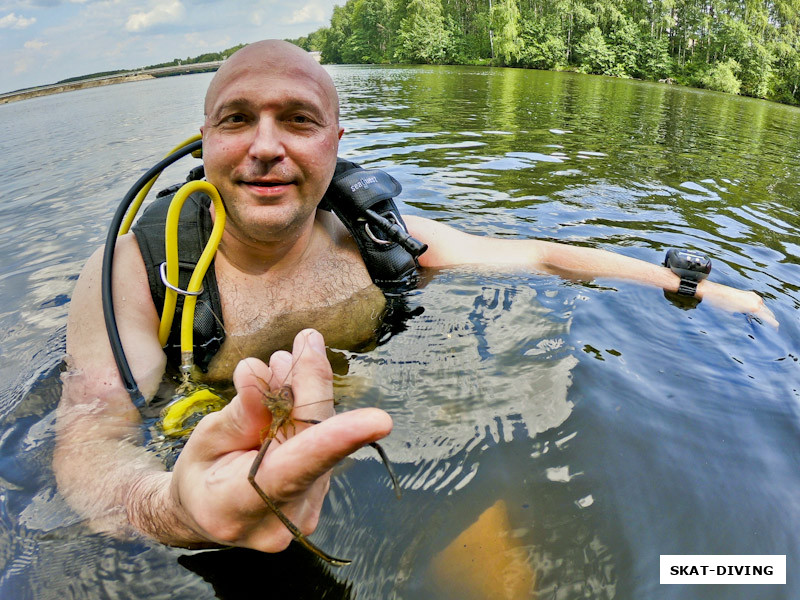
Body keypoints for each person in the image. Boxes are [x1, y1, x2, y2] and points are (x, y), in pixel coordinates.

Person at [54, 40, 776, 554]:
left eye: (298, 119)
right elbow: (90, 442)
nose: (265, 145)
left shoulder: (380, 242)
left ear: (337, 140)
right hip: (202, 485)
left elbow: (539, 255)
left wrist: (699, 288)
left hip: (388, 468)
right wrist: (177, 508)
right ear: (204, 141)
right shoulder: (133, 273)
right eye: (237, 118)